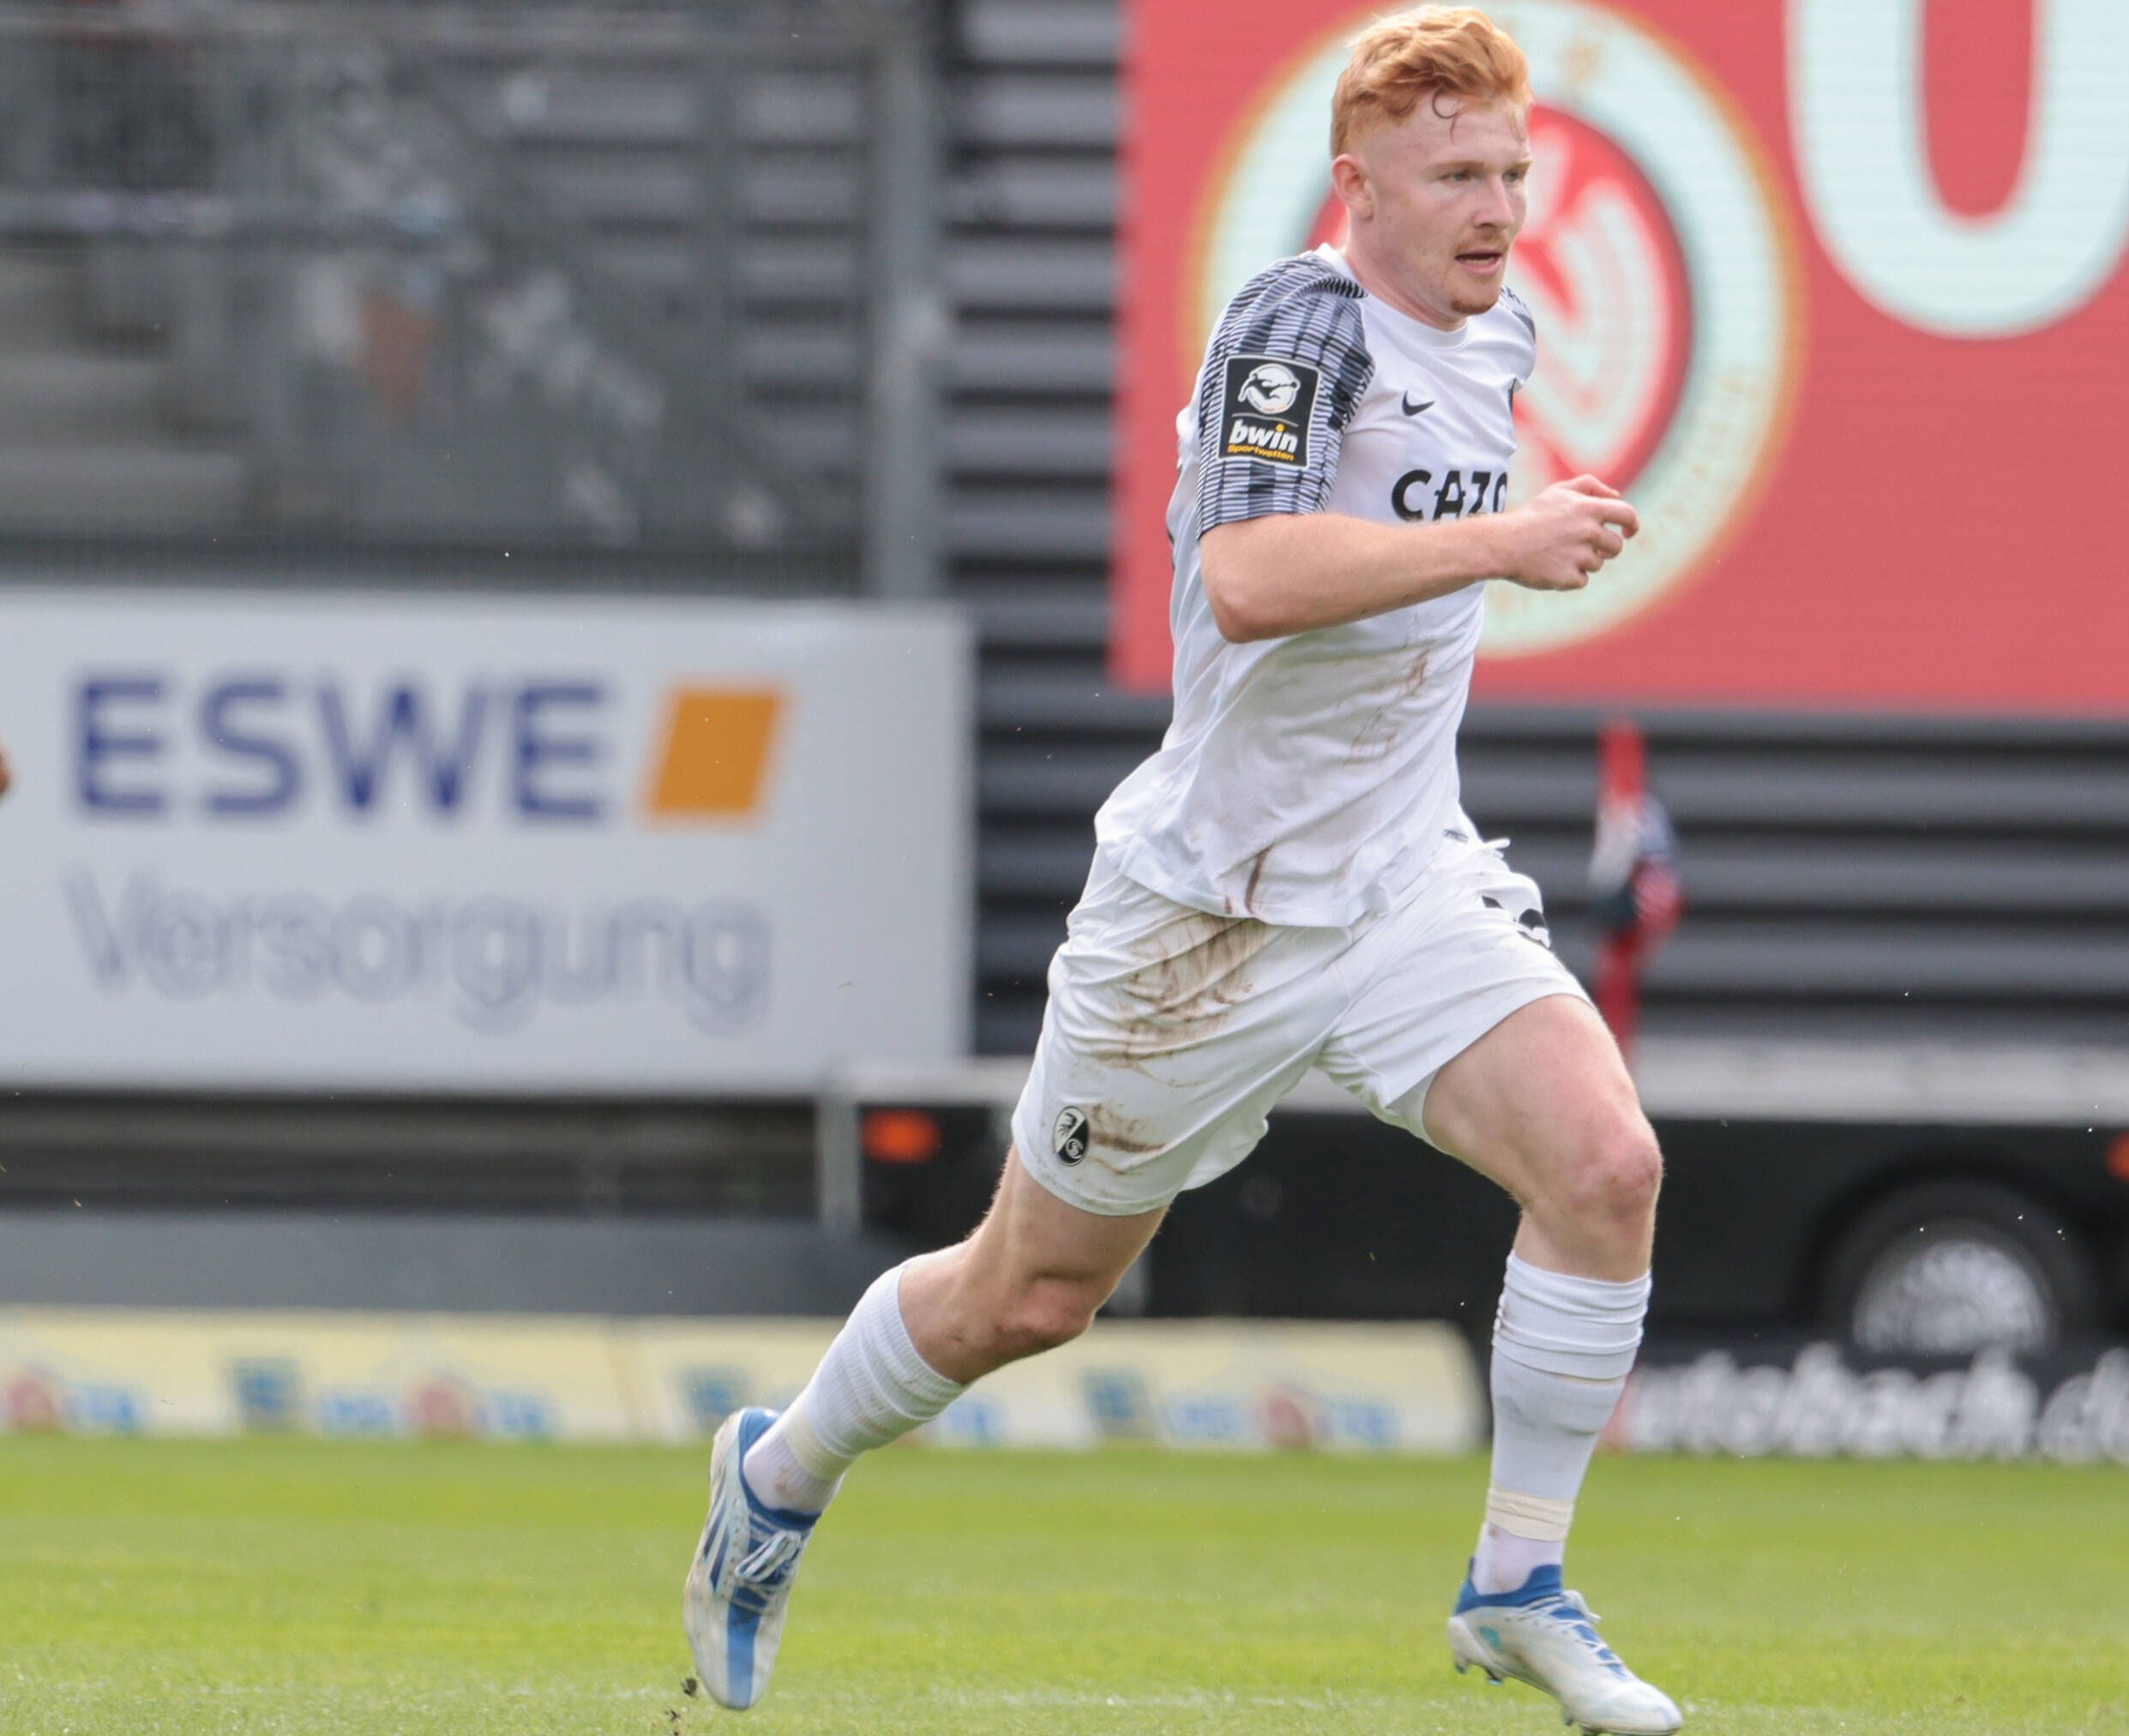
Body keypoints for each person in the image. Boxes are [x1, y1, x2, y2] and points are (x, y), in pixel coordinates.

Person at [683, 9, 1679, 1731]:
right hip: (1206, 918)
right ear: (1356, 185)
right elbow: (1247, 577)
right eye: (1457, 175)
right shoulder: (1295, 321)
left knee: (1604, 1164)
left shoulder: (1501, 324)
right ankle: (776, 1480)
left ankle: (1517, 1576)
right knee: (1033, 1293)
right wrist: (1506, 540)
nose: (1500, 208)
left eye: (1515, 171)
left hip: (1398, 885)